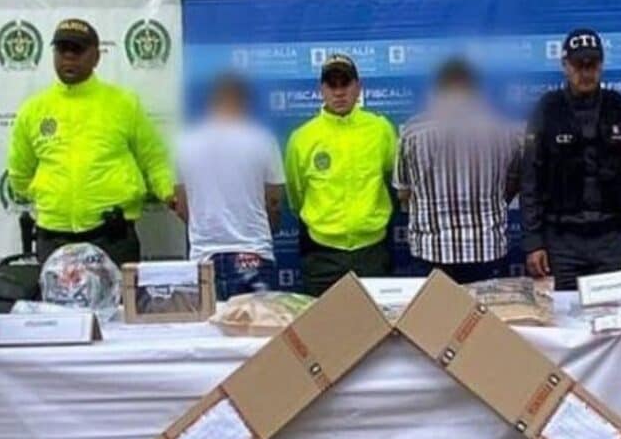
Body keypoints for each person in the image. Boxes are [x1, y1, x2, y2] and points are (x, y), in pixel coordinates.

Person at [7, 18, 174, 266]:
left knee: (118, 294)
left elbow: (154, 159)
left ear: (96, 57)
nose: (69, 57)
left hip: (112, 237)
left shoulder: (124, 104)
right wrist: (52, 196)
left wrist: (170, 194)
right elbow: (20, 174)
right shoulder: (33, 110)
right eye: (62, 49)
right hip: (54, 237)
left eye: (77, 50)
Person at [521, 28, 621, 291]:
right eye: (578, 65)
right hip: (560, 242)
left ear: (601, 65)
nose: (585, 72)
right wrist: (533, 242)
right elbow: (530, 182)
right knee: (561, 314)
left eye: (592, 64)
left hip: (612, 240)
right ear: (565, 66)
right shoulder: (547, 110)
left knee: (613, 313)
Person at [395, 57, 521, 283]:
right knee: (485, 308)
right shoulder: (503, 129)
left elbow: (403, 192)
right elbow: (512, 182)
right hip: (486, 247)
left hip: (432, 249)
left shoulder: (413, 131)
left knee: (436, 308)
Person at [284, 53, 397, 296]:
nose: (339, 92)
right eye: (331, 85)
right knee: (321, 321)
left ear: (358, 87)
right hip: (321, 253)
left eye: (345, 83)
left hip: (372, 251)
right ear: (321, 90)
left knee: (375, 320)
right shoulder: (302, 138)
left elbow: (392, 179)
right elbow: (296, 196)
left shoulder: (381, 130)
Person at [174, 73, 284, 300]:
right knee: (257, 323)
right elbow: (274, 203)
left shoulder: (184, 144)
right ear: (245, 102)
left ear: (212, 102)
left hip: (204, 257)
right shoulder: (263, 140)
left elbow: (182, 206)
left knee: (209, 323)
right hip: (254, 252)